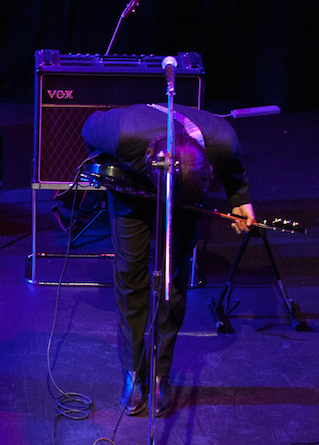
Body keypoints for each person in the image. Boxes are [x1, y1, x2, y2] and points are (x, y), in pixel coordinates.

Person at [83, 103, 254, 417]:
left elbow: (233, 166)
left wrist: (239, 199)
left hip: (185, 202)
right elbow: (87, 127)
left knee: (173, 280)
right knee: (130, 273)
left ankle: (161, 373)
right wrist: (106, 165)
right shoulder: (122, 132)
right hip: (131, 190)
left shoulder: (221, 140)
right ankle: (133, 372)